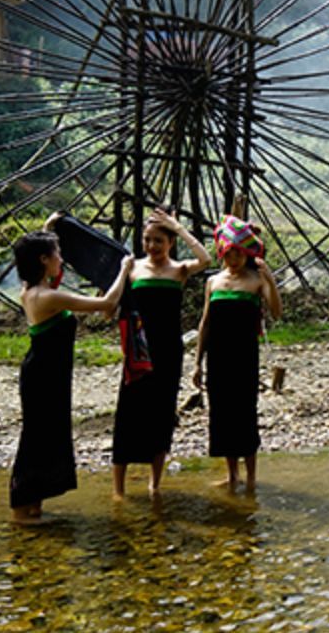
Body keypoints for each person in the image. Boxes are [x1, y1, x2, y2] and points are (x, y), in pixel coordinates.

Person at [10, 216, 133, 524]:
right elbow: (107, 302)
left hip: (46, 372)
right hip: (44, 376)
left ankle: (32, 505)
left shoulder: (31, 289)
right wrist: (124, 268)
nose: (62, 258)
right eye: (57, 253)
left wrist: (50, 229)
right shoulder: (48, 296)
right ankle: (20, 509)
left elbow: (40, 255)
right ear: (43, 260)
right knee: (37, 438)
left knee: (45, 436)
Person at [111, 209, 211, 500]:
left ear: (169, 243)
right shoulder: (133, 269)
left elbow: (206, 260)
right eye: (147, 240)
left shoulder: (179, 270)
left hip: (168, 351)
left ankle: (155, 484)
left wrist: (178, 227)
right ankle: (118, 489)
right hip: (138, 351)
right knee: (128, 412)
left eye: (158, 240)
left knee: (162, 414)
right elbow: (113, 300)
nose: (151, 246)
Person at [192, 214, 281, 492]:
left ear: (246, 254)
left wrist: (270, 280)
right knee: (221, 414)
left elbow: (276, 313)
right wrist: (197, 364)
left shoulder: (255, 281)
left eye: (238, 254)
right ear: (222, 253)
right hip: (218, 358)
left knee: (245, 413)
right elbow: (205, 324)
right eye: (229, 254)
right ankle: (232, 475)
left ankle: (251, 477)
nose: (233, 259)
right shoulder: (214, 283)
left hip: (244, 357)